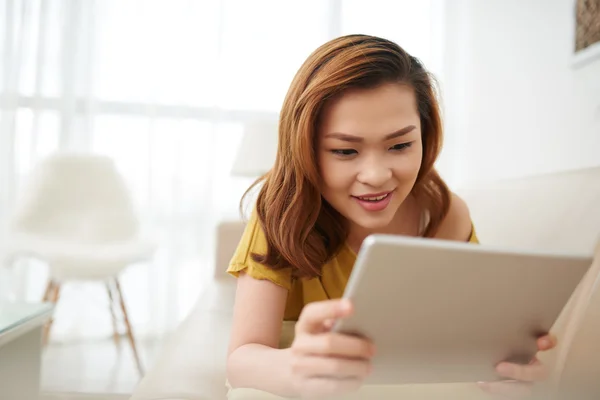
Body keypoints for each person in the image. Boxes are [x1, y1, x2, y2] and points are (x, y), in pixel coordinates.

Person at [225, 34, 556, 399]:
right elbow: (241, 360)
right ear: (306, 149)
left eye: (400, 145)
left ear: (425, 137)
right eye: (345, 151)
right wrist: (296, 368)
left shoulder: (443, 216)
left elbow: (457, 343)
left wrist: (502, 368)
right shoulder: (280, 212)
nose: (377, 175)